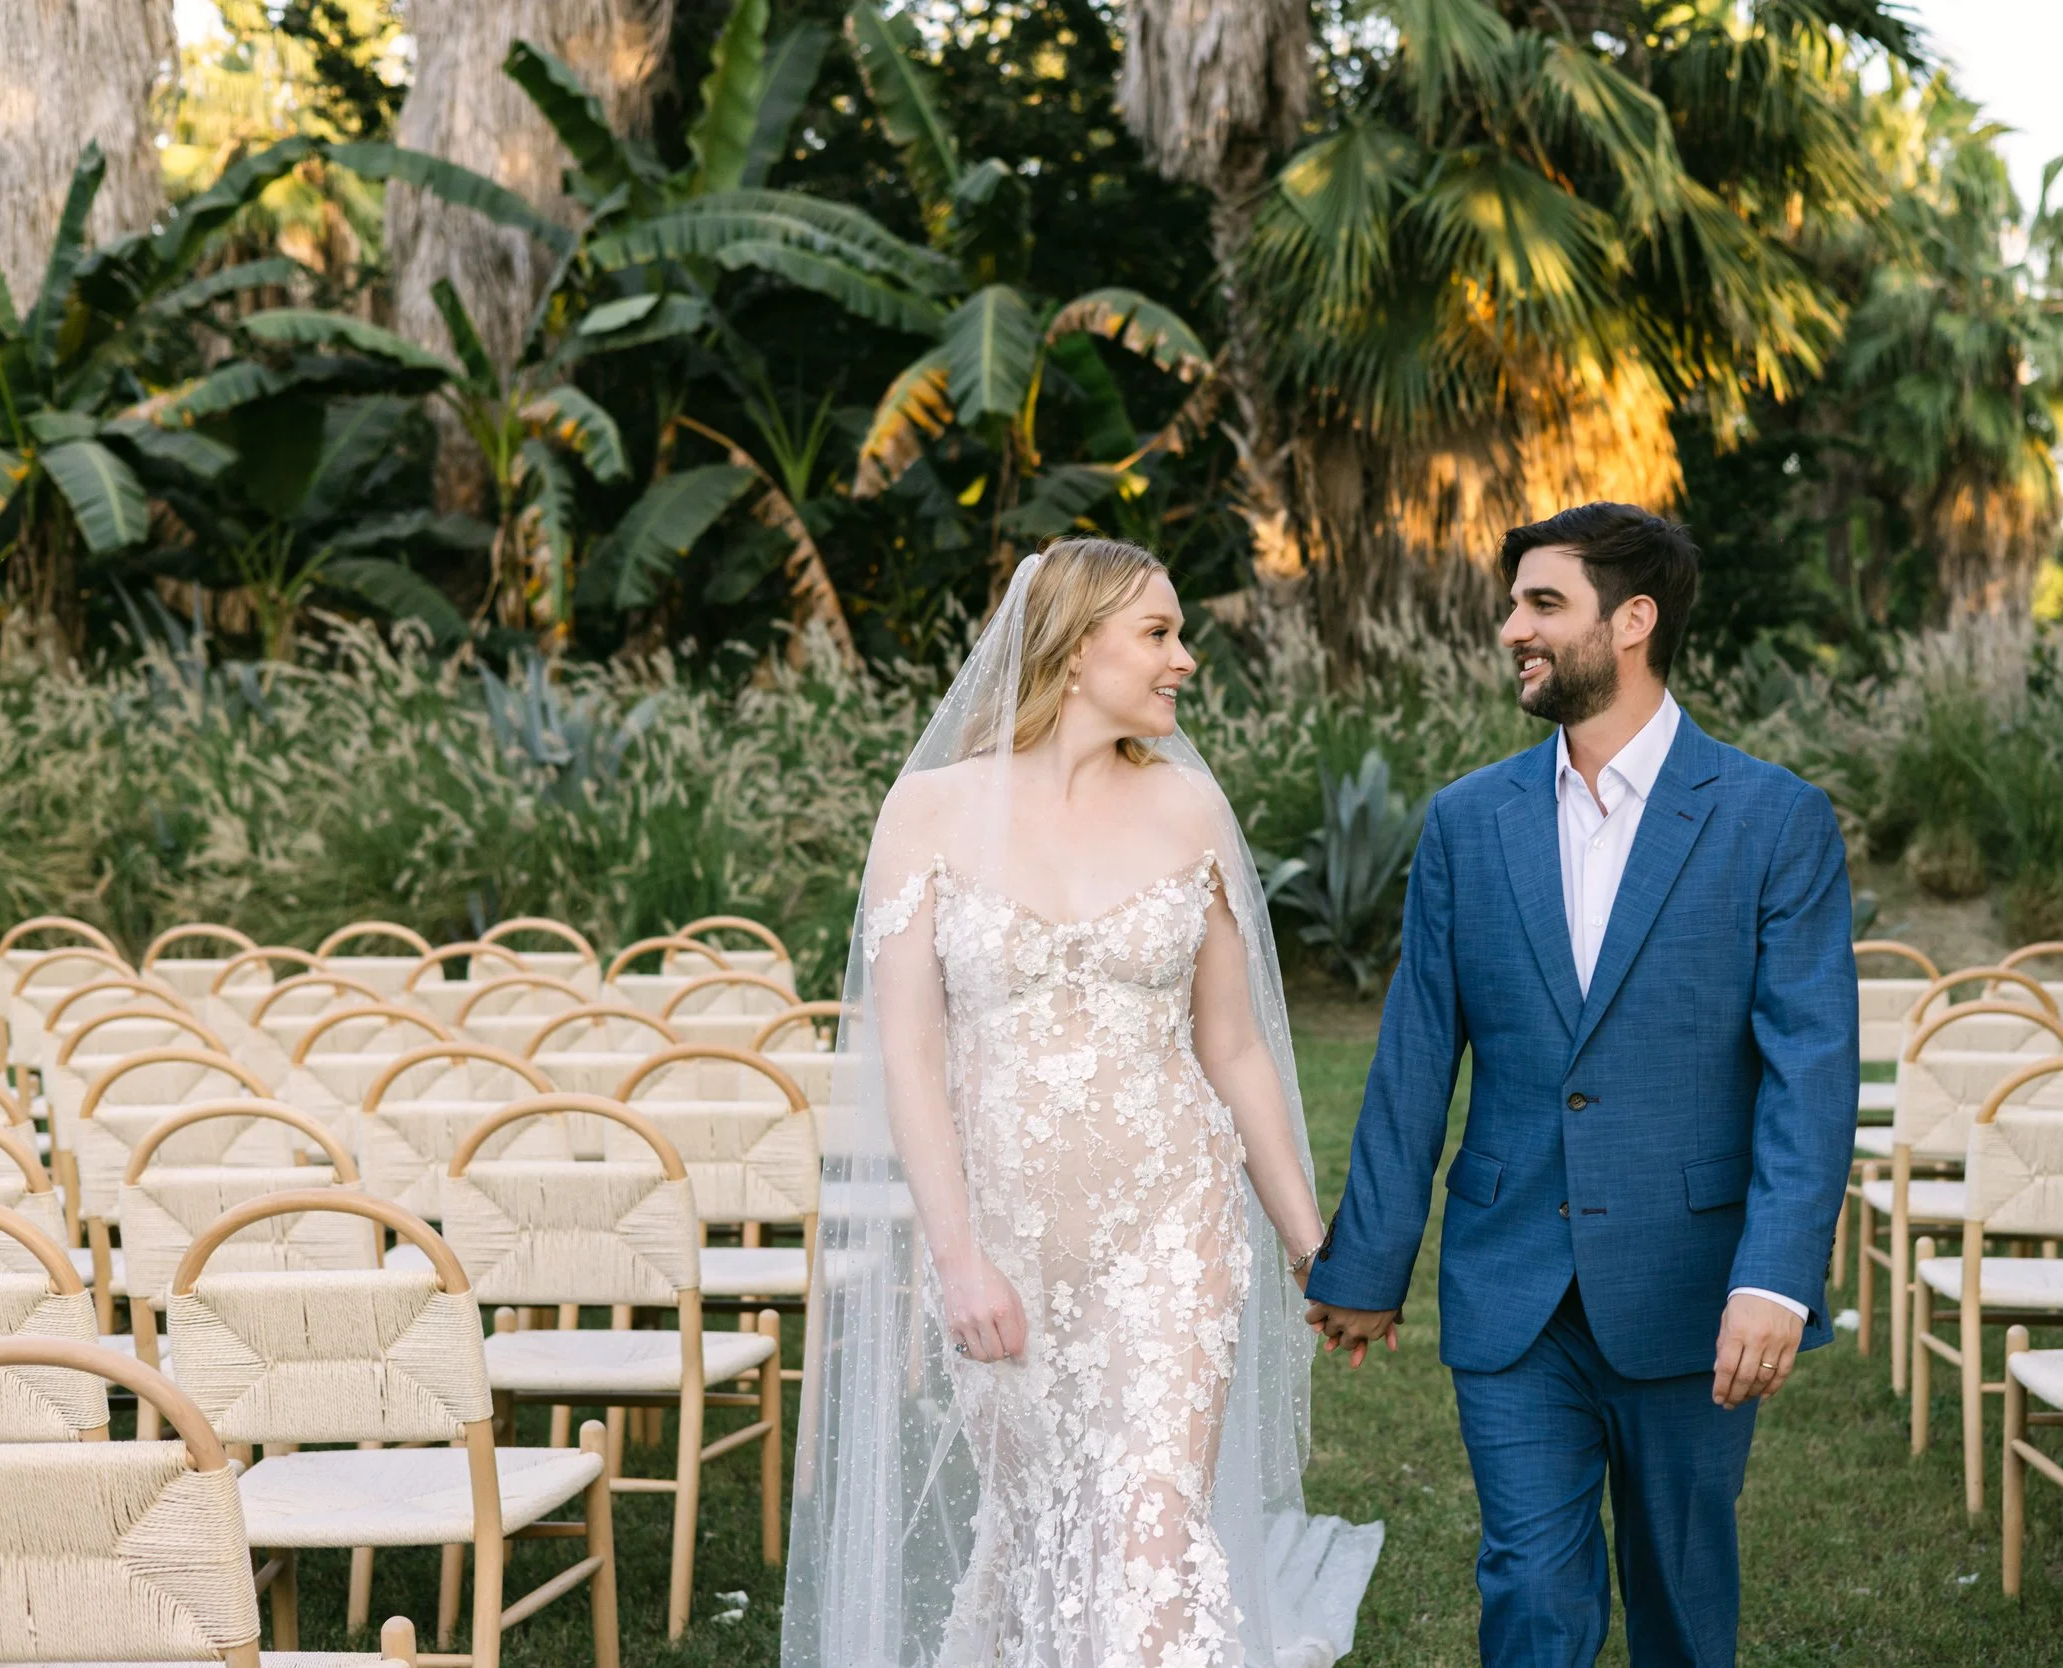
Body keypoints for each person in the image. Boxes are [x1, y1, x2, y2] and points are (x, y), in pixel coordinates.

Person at [785, 538, 1381, 1668]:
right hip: (1004, 1237)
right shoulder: (927, 812)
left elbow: (1235, 1046)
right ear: (1072, 648)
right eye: (1157, 634)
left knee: (1152, 1535)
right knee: (1045, 1534)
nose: (1184, 661)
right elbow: (907, 1057)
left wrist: (1311, 1240)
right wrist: (957, 1260)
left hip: (1171, 1223)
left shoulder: (1190, 811)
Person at [1303, 503, 1858, 1668]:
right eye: (1513, 605)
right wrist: (1366, 1265)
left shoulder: (1774, 820)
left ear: (1634, 620)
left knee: (1680, 1606)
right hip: (1511, 1283)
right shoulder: (1465, 822)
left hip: (1694, 1285)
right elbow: (1414, 1055)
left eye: (1541, 604)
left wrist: (1774, 1278)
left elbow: (1810, 1072)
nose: (1512, 628)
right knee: (1530, 1595)